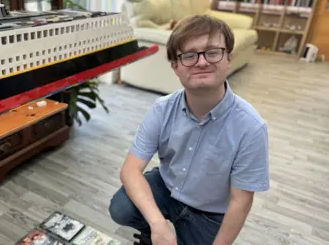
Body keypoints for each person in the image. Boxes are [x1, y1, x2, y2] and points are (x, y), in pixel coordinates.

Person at [108, 15, 270, 245]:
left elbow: (240, 202)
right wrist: (157, 224)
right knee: (121, 208)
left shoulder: (251, 127)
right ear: (175, 66)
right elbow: (130, 170)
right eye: (189, 55)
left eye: (212, 52)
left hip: (209, 212)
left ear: (229, 58)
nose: (202, 62)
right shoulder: (162, 109)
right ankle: (153, 234)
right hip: (167, 188)